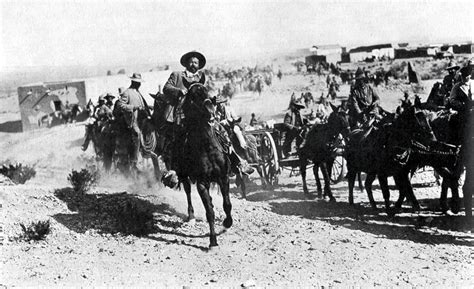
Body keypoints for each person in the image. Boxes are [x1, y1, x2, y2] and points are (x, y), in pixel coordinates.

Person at [161, 51, 254, 179]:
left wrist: (213, 100)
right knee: (178, 140)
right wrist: (179, 91)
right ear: (186, 63)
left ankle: (237, 162)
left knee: (221, 132)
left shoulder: (201, 78)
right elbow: (166, 88)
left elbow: (204, 96)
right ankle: (175, 172)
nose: (193, 64)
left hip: (200, 116)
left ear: (199, 65)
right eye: (191, 62)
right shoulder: (177, 75)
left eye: (196, 62)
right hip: (182, 115)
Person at [113, 73, 150, 176]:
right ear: (133, 82)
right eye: (137, 83)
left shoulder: (138, 93)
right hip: (132, 121)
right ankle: (134, 161)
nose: (139, 84)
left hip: (142, 120)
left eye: (139, 83)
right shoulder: (127, 93)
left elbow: (142, 106)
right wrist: (133, 107)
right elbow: (120, 105)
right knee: (136, 134)